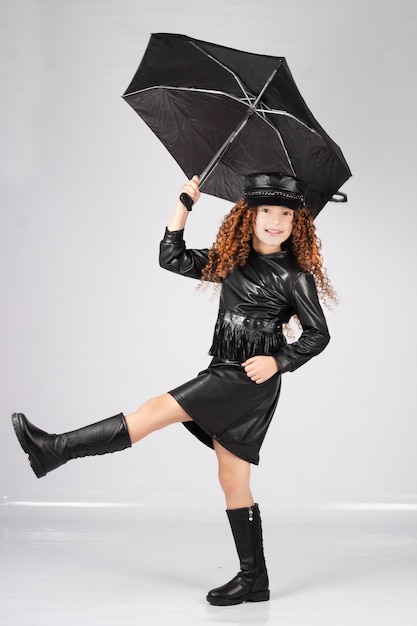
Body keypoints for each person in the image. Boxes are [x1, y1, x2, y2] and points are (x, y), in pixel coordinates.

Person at [11, 172, 336, 606]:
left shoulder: (296, 276)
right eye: (265, 212)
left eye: (285, 215)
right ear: (248, 216)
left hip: (246, 380)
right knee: (231, 479)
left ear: (297, 224)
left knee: (151, 411)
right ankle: (254, 580)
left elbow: (318, 334)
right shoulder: (231, 259)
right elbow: (172, 258)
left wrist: (279, 360)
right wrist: (184, 204)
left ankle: (56, 449)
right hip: (226, 368)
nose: (275, 221)